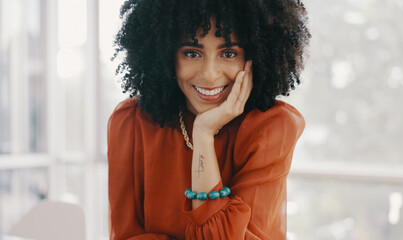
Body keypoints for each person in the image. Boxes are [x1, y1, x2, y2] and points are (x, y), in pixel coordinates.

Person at [107, 0, 311, 239]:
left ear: (256, 57)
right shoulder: (131, 123)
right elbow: (124, 235)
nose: (209, 74)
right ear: (167, 55)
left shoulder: (271, 127)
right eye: (192, 53)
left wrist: (203, 133)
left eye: (228, 53)